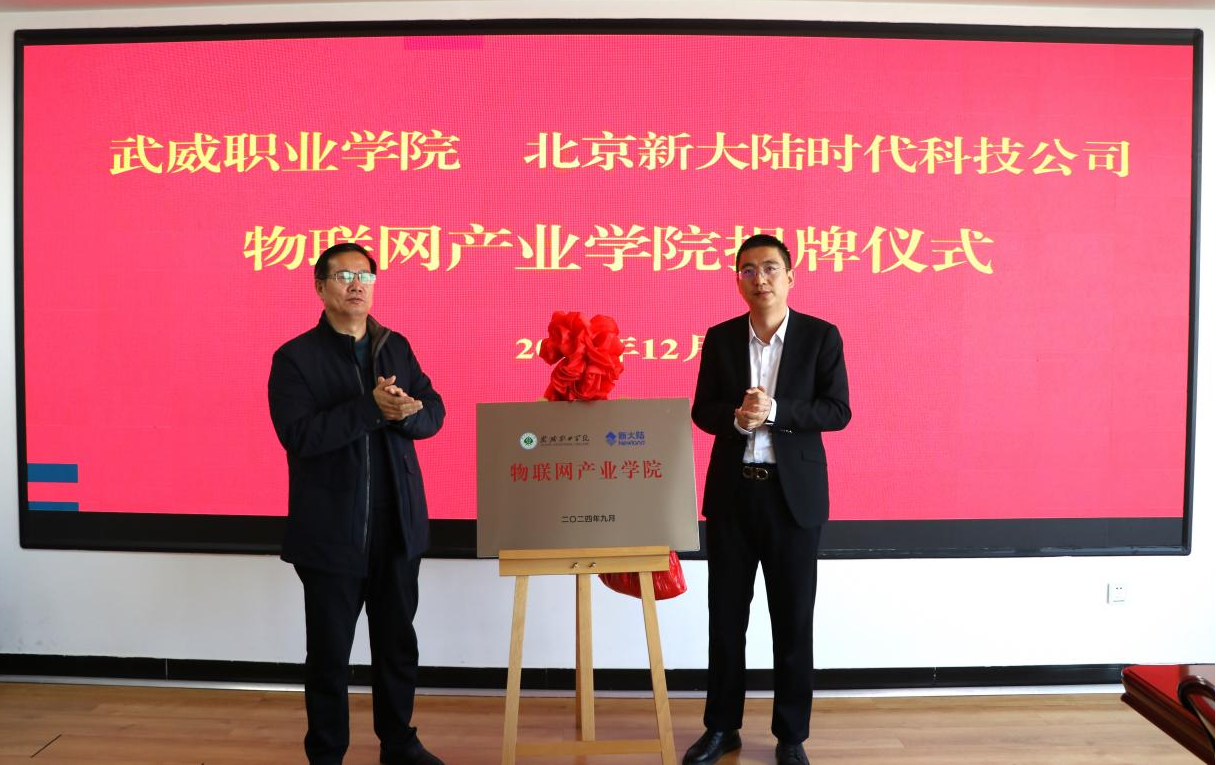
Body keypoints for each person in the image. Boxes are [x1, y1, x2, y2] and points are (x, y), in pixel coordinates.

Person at [268, 242, 446, 765]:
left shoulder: (396, 347)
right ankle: (327, 754)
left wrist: (408, 411)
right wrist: (370, 409)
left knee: (397, 646)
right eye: (344, 276)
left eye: (365, 276)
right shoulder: (296, 358)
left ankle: (399, 743)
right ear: (320, 287)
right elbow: (300, 435)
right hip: (331, 533)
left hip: (398, 528)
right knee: (329, 655)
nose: (356, 285)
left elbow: (434, 413)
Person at [684, 234, 851, 765]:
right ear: (738, 279)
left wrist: (776, 412)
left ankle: (790, 736)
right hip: (733, 497)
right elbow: (703, 409)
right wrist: (737, 419)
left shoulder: (821, 336)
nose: (760, 279)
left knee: (793, 620)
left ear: (791, 276)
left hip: (792, 501)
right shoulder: (720, 338)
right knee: (725, 619)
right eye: (749, 270)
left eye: (771, 268)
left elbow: (837, 410)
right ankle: (721, 728)